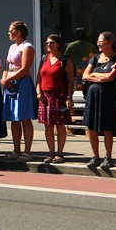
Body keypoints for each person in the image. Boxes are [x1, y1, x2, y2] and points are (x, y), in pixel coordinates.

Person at [81, 32, 116, 169]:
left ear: (110, 42)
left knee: (107, 128)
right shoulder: (95, 57)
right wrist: (98, 77)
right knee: (91, 128)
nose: (98, 43)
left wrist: (94, 74)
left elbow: (110, 77)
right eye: (98, 41)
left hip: (108, 97)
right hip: (93, 96)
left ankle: (109, 157)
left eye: (101, 41)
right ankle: (95, 156)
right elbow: (85, 75)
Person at [1, 20, 36, 161]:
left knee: (24, 118)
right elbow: (6, 66)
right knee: (14, 119)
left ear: (19, 32)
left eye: (11, 30)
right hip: (10, 83)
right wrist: (4, 78)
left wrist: (9, 79)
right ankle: (16, 150)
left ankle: (27, 151)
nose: (8, 33)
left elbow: (24, 68)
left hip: (22, 83)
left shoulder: (27, 47)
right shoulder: (11, 47)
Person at [36, 34, 74, 164]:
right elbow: (39, 78)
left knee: (60, 125)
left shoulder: (65, 60)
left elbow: (70, 81)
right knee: (48, 125)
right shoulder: (44, 59)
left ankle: (60, 152)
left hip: (60, 96)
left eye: (51, 43)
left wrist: (69, 97)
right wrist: (38, 92)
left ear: (58, 44)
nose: (48, 45)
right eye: (46, 43)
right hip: (45, 96)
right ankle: (51, 152)